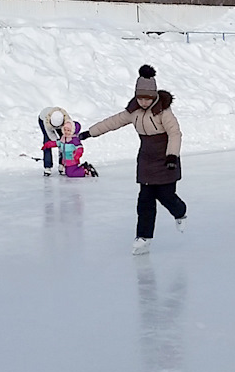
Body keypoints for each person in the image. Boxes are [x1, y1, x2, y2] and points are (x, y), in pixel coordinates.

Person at [79, 64, 185, 255]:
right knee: (144, 200)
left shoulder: (164, 112)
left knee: (166, 196)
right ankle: (143, 237)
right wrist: (89, 133)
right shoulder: (133, 111)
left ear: (154, 96)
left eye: (148, 98)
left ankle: (180, 212)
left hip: (166, 159)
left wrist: (172, 156)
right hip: (146, 160)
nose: (144, 102)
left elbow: (175, 134)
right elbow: (113, 122)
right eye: (140, 98)